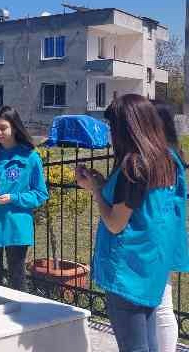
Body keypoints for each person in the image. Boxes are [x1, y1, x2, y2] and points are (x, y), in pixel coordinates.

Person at [76, 94, 188, 352]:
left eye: (113, 128)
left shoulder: (134, 165)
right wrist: (103, 185)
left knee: (135, 347)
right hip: (150, 266)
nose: (111, 135)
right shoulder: (164, 160)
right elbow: (135, 205)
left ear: (127, 127)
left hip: (127, 270)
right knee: (148, 343)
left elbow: (116, 223)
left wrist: (95, 189)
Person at [0, 105, 48, 291]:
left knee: (17, 275)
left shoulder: (30, 157)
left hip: (15, 225)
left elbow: (40, 194)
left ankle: (21, 314)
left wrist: (13, 198)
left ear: (14, 127)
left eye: (2, 128)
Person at [151, 100, 189, 352]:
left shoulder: (164, 158)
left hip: (159, 234)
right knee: (158, 301)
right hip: (164, 232)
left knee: (161, 302)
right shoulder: (171, 154)